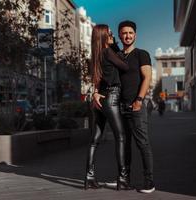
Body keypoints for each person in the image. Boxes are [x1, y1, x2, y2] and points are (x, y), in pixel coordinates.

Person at [94, 20, 155, 193]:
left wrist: (139, 100)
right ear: (120, 35)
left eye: (130, 33)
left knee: (143, 143)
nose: (127, 36)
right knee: (124, 144)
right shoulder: (117, 55)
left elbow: (147, 78)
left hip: (136, 106)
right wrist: (96, 92)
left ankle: (149, 182)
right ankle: (124, 178)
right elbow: (106, 77)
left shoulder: (142, 54)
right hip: (119, 106)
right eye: (124, 33)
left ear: (135, 35)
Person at [84, 24, 131, 190]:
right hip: (111, 97)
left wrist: (95, 92)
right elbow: (125, 66)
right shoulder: (108, 51)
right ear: (104, 35)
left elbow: (97, 80)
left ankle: (89, 178)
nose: (112, 34)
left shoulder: (96, 55)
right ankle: (123, 179)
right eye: (110, 32)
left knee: (94, 140)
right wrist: (114, 44)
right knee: (121, 137)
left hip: (99, 100)